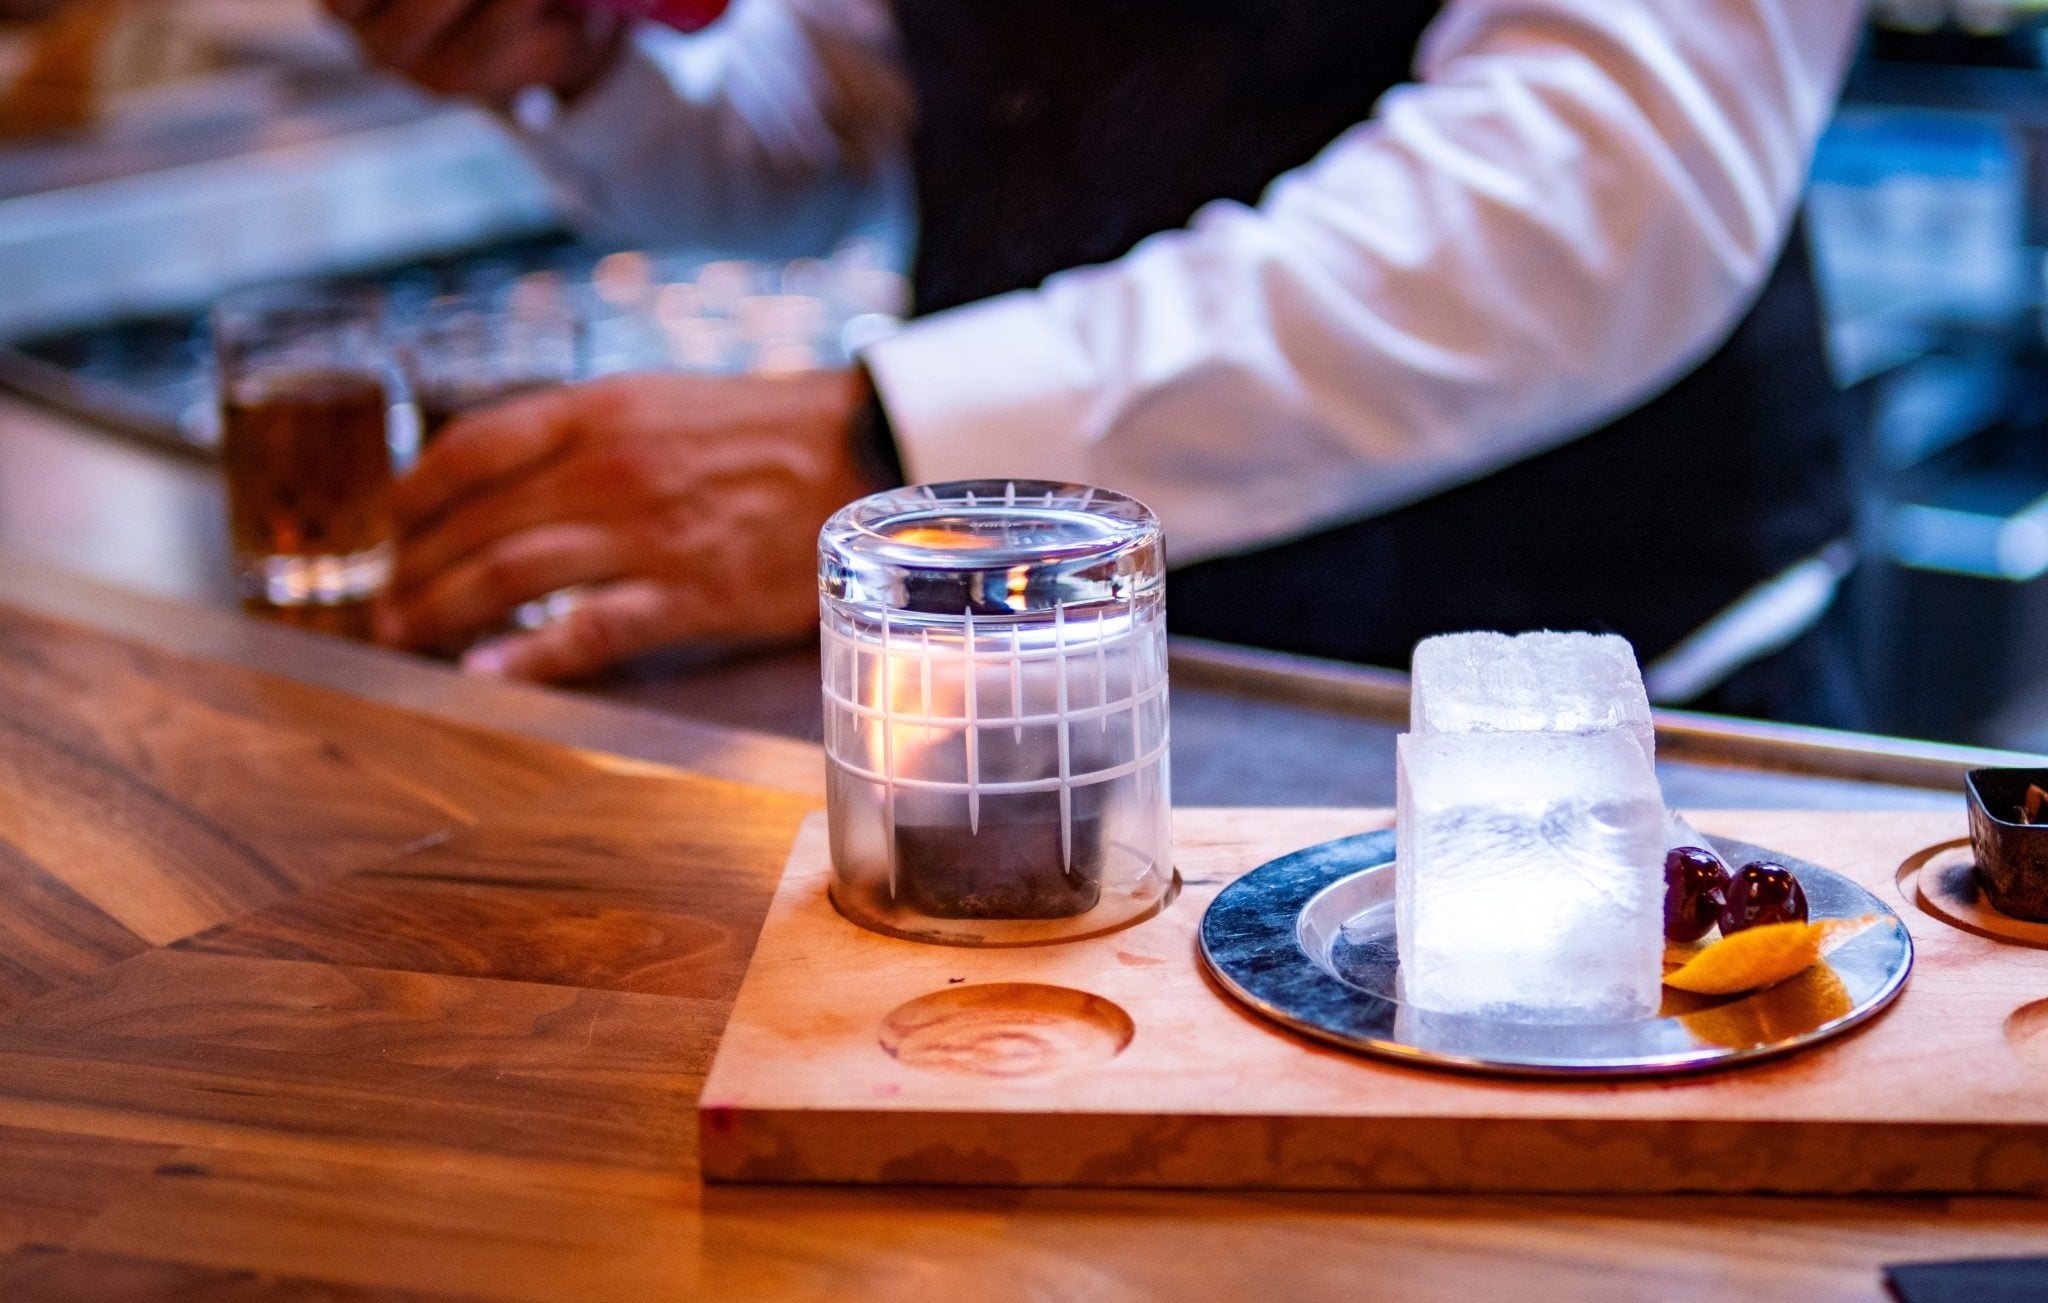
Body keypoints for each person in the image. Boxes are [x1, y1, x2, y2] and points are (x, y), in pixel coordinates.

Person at [330, 0, 1870, 725]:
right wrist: (595, 70)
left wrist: (902, 455)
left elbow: (1595, 184)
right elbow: (864, 94)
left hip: (1562, 712)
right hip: (1042, 699)